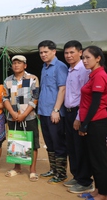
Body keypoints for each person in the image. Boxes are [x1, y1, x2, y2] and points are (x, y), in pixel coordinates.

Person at [62, 41, 93, 194]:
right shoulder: (70, 69)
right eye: (66, 53)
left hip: (78, 113)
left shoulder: (84, 70)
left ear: (80, 53)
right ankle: (76, 175)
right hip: (68, 112)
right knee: (72, 146)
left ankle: (85, 181)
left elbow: (86, 97)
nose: (69, 55)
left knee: (80, 147)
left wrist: (79, 117)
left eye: (72, 52)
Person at [3, 55, 40, 181]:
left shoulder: (32, 78)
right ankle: (17, 167)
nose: (16, 65)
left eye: (19, 63)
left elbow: (35, 98)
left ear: (25, 65)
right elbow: (5, 98)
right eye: (14, 63)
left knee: (32, 143)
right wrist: (13, 113)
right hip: (12, 117)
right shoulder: (7, 80)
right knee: (15, 142)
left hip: (29, 116)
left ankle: (33, 170)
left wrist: (24, 114)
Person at [78, 46, 107, 200]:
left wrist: (85, 124)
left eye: (88, 57)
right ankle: (98, 189)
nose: (84, 60)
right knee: (93, 158)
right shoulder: (93, 75)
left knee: (99, 159)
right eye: (83, 58)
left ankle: (103, 194)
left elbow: (95, 104)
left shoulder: (99, 75)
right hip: (92, 122)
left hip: (97, 122)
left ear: (98, 58)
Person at [37, 40, 68, 184]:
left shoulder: (60, 67)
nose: (43, 55)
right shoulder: (44, 67)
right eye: (41, 52)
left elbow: (62, 89)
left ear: (54, 51)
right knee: (49, 143)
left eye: (46, 52)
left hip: (54, 113)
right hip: (43, 112)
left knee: (58, 143)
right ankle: (53, 169)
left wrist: (56, 110)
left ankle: (61, 174)